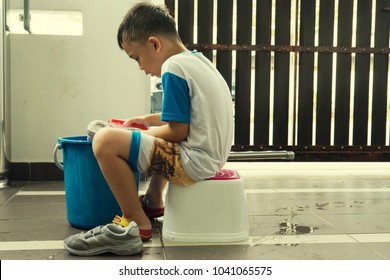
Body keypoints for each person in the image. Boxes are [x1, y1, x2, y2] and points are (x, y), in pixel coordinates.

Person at [63, 2, 233, 256]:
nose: (141, 68)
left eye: (137, 58)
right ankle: (153, 201)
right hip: (210, 157)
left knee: (105, 141)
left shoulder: (173, 67)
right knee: (142, 138)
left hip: (194, 161)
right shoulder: (197, 62)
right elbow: (189, 116)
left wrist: (132, 136)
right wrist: (147, 120)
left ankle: (134, 223)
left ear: (154, 44)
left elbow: (177, 131)